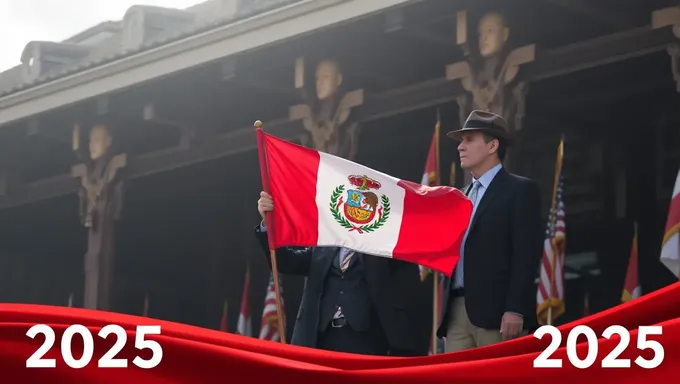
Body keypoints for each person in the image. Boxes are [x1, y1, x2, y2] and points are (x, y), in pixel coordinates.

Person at [254, 192, 422, 356]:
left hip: (365, 341)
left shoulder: (383, 248)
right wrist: (268, 224)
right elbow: (285, 262)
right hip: (321, 339)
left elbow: (406, 275)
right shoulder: (323, 245)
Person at [436, 110, 543, 352]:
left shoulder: (520, 190)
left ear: (493, 145)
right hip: (456, 313)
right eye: (461, 141)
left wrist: (515, 308)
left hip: (499, 315)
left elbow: (526, 254)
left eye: (469, 139)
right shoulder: (458, 196)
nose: (460, 147)